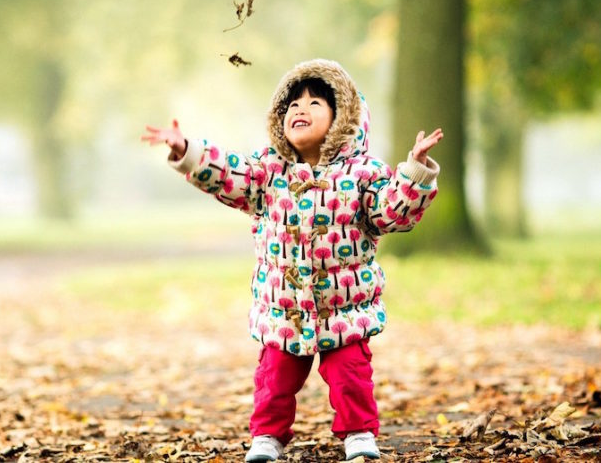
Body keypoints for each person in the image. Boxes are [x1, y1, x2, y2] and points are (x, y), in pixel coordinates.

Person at [142, 59, 442, 461]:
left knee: (351, 376)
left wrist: (415, 172)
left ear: (343, 120)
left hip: (345, 308)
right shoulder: (268, 172)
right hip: (283, 309)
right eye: (293, 103)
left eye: (316, 102)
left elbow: (392, 212)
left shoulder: (363, 174)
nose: (300, 109)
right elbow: (229, 173)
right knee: (274, 380)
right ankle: (267, 437)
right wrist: (188, 151)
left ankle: (358, 435)